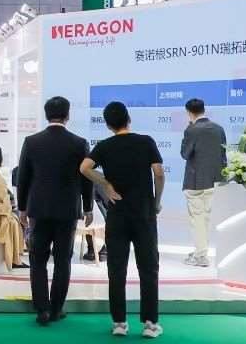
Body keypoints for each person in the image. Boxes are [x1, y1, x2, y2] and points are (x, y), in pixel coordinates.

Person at [81, 101, 165, 340]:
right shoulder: (146, 141)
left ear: (108, 125)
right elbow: (159, 173)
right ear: (128, 119)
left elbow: (85, 168)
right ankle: (150, 324)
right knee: (148, 268)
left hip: (117, 214)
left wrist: (105, 184)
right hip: (144, 213)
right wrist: (156, 201)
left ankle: (119, 322)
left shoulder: (104, 146)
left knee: (116, 269)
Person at [16, 96, 94, 325]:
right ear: (68, 115)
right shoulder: (79, 143)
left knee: (37, 259)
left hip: (38, 208)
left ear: (46, 114)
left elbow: (23, 178)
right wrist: (88, 207)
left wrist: (22, 208)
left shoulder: (32, 142)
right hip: (67, 209)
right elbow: (86, 179)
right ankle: (57, 309)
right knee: (62, 260)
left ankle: (41, 309)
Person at [179, 98, 227, 269]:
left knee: (197, 219)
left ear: (189, 112)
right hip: (215, 180)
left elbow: (185, 154)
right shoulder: (219, 129)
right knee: (205, 218)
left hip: (195, 182)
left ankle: (200, 255)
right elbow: (223, 155)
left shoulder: (191, 130)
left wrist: (188, 129)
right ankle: (201, 252)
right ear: (203, 110)